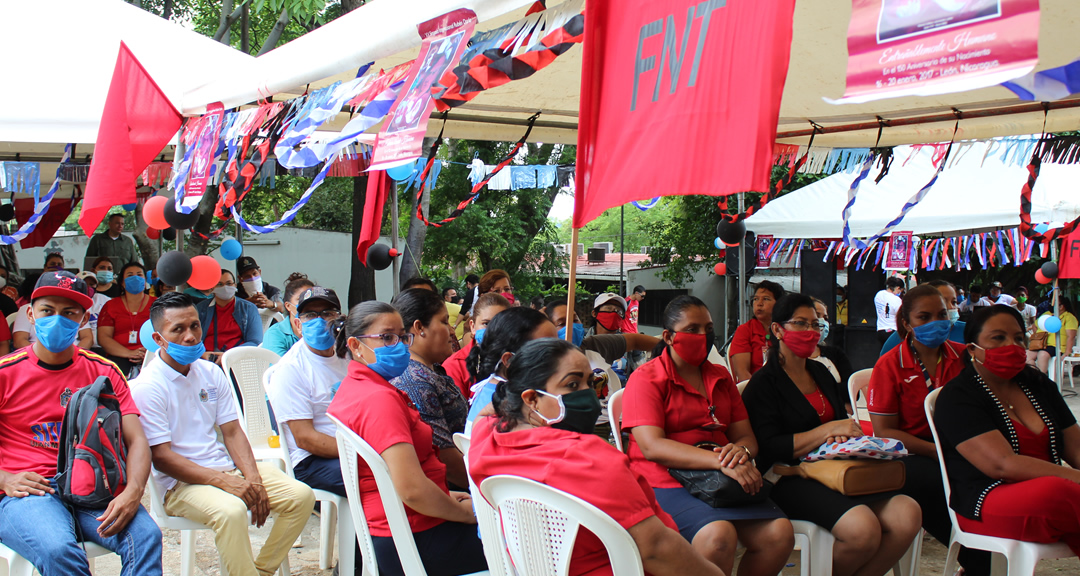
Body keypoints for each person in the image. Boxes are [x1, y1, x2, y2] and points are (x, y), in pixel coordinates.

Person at [469, 338, 727, 576]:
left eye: (589, 383)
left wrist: (516, 401)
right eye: (572, 385)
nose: (589, 395)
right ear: (532, 398)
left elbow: (484, 415)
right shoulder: (588, 457)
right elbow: (655, 548)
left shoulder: (488, 439)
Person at [131, 292, 315, 576]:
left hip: (227, 470)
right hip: (180, 486)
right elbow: (162, 458)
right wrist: (226, 483)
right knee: (231, 511)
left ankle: (261, 571)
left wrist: (252, 478)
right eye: (177, 330)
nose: (190, 336)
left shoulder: (210, 372)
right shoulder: (146, 386)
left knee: (301, 496)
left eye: (194, 325)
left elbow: (232, 432)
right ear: (158, 339)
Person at [742, 294, 922, 576]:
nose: (811, 332)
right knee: (863, 530)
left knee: (907, 513)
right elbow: (769, 447)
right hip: (788, 477)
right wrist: (828, 431)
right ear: (778, 330)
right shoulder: (763, 384)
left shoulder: (822, 372)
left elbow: (839, 420)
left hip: (836, 468)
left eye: (816, 324)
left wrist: (840, 435)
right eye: (800, 324)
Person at [0, 271, 162, 576]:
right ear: (31, 314)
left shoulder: (104, 372)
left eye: (69, 312)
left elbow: (137, 440)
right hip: (31, 492)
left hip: (95, 484)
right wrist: (4, 478)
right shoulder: (6, 372)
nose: (57, 319)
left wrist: (133, 491)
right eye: (48, 310)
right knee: (59, 550)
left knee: (145, 537)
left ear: (84, 318)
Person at [623, 296, 794, 576]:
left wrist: (743, 453)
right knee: (718, 537)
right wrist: (722, 462)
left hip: (723, 479)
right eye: (692, 329)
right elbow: (652, 447)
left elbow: (746, 437)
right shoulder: (647, 378)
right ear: (668, 336)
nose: (703, 336)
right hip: (662, 479)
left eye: (708, 328)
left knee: (779, 534)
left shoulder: (720, 376)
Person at [326, 301, 487, 576]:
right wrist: (467, 513)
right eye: (387, 337)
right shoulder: (378, 400)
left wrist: (447, 497)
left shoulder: (356, 387)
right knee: (530, 545)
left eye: (401, 336)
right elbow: (411, 489)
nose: (399, 345)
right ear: (355, 345)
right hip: (415, 538)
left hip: (401, 528)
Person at [934, 305, 1080, 557]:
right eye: (998, 338)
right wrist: (1072, 479)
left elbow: (1075, 446)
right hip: (988, 499)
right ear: (972, 349)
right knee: (1059, 494)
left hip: (1056, 494)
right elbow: (1001, 464)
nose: (1011, 345)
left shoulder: (1038, 384)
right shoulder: (957, 396)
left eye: (1018, 338)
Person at [866, 284, 988, 573]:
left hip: (960, 448)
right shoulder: (890, 364)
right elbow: (884, 432)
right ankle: (978, 560)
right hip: (911, 453)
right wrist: (938, 452)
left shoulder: (964, 357)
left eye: (942, 314)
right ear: (907, 323)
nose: (937, 322)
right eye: (925, 317)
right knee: (939, 482)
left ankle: (985, 556)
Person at [264, 287, 349, 498]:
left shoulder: (348, 356)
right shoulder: (291, 369)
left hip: (351, 449)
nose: (319, 321)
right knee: (378, 477)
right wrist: (362, 452)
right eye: (310, 315)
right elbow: (305, 439)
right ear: (297, 324)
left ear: (339, 320)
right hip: (312, 460)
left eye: (327, 314)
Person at [391, 288, 469, 489]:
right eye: (444, 322)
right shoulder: (414, 381)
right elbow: (444, 457)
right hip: (452, 491)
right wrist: (486, 490)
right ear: (419, 327)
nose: (452, 330)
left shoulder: (430, 371)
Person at [465, 307, 558, 432]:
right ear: (509, 360)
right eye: (546, 352)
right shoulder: (508, 409)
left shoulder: (494, 390)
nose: (558, 358)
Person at [443, 293, 509, 399]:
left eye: (501, 324)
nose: (493, 330)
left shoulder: (518, 360)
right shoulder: (455, 366)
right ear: (472, 327)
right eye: (486, 324)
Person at [96, 262, 155, 376]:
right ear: (122, 283)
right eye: (130, 275)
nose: (135, 278)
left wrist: (148, 352)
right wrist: (129, 353)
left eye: (139, 274)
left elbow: (165, 332)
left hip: (152, 356)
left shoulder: (157, 304)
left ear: (145, 281)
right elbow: (103, 338)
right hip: (119, 357)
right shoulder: (110, 306)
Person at [880, 280, 966, 356]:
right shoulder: (895, 344)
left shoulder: (967, 334)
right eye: (942, 301)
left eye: (954, 302)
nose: (950, 307)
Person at [195, 270, 263, 364]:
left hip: (238, 361)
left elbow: (255, 341)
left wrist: (228, 355)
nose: (225, 287)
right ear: (212, 288)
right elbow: (192, 339)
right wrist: (201, 355)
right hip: (206, 361)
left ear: (235, 285)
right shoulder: (201, 308)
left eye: (229, 283)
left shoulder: (248, 308)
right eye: (219, 284)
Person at [730, 281, 785, 382]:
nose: (759, 304)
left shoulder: (786, 329)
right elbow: (742, 373)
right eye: (755, 299)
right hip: (754, 390)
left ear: (779, 304)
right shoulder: (745, 330)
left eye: (766, 299)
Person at [261, 276, 315, 358]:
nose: (307, 303)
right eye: (300, 299)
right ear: (288, 306)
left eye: (312, 298)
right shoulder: (275, 333)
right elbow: (280, 367)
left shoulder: (324, 328)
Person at [809, 297, 853, 389]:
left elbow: (851, 390)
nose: (822, 322)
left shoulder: (836, 354)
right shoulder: (788, 357)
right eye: (817, 315)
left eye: (825, 318)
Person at [1030, 299, 1078, 374]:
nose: (1051, 305)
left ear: (1062, 306)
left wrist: (1067, 352)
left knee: (1042, 354)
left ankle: (1041, 379)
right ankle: (1035, 375)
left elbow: (1071, 336)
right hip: (1041, 344)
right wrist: (1039, 336)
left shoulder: (1069, 317)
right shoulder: (1047, 314)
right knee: (1026, 355)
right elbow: (1035, 325)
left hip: (1057, 346)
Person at [875, 277, 905, 344]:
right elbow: (901, 315)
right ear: (898, 288)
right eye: (900, 291)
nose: (900, 293)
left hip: (880, 330)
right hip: (892, 331)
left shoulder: (879, 294)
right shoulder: (896, 300)